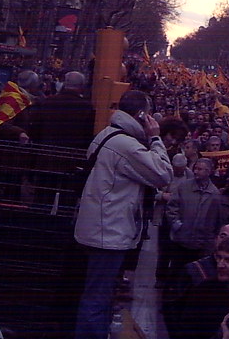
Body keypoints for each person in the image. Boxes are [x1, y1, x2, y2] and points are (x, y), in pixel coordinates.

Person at [73, 90, 171, 339]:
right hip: (108, 232)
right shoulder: (126, 145)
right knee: (98, 296)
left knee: (99, 292)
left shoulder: (107, 134)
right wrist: (156, 138)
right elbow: (163, 174)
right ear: (142, 115)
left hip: (99, 226)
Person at [173, 237, 229, 339]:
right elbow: (186, 332)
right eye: (219, 258)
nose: (220, 265)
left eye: (228, 260)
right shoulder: (202, 292)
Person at [167, 156, 229, 259]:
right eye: (195, 168)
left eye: (199, 169)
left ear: (208, 172)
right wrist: (177, 224)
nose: (195, 171)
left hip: (200, 245)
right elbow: (172, 206)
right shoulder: (184, 187)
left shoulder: (214, 194)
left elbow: (216, 220)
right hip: (181, 240)